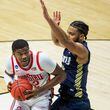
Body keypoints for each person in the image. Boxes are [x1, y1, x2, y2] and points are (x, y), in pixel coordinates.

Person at [40, 0, 91, 110]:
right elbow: (56, 41)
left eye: (71, 34)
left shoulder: (82, 50)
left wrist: (49, 20)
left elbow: (65, 40)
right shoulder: (70, 47)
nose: (68, 35)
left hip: (77, 101)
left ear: (81, 37)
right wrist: (55, 27)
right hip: (64, 97)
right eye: (68, 32)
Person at [4, 39, 66, 110]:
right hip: (22, 97)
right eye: (20, 54)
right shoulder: (10, 61)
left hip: (42, 97)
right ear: (13, 53)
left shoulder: (41, 59)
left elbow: (61, 75)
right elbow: (8, 74)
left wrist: (38, 91)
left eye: (26, 52)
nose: (24, 56)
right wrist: (9, 82)